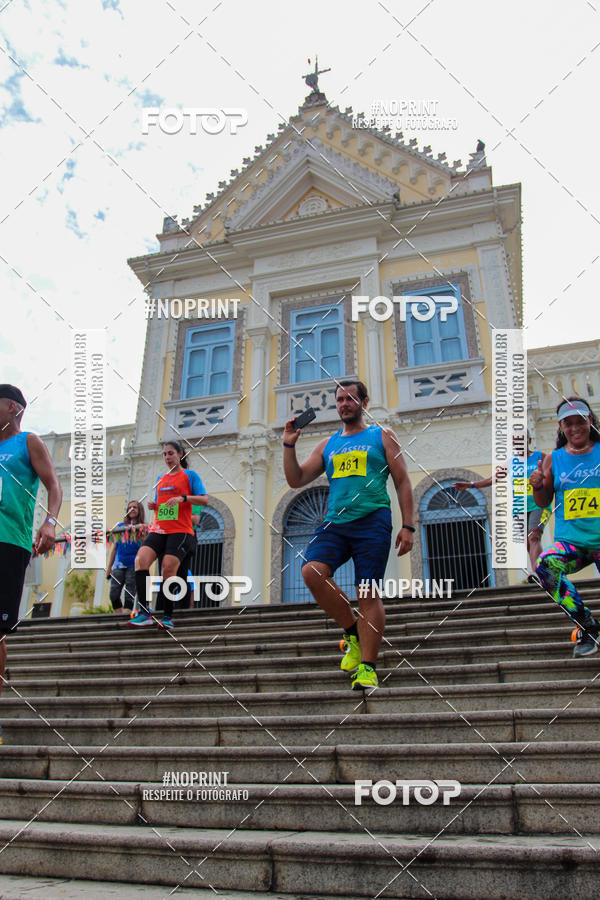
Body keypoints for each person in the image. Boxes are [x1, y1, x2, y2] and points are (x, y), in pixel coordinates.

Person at [283, 380, 414, 690]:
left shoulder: (381, 436)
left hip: (373, 521)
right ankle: (353, 631)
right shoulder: (327, 444)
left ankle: (368, 667)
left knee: (367, 591)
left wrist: (408, 526)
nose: (344, 404)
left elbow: (403, 481)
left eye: (351, 398)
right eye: (340, 399)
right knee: (312, 571)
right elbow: (296, 479)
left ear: (364, 402)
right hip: (335, 523)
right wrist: (289, 444)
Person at [0, 384, 62, 742]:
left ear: (12, 407)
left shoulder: (28, 442)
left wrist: (50, 522)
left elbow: (53, 484)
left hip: (9, 542)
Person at [529, 397, 600, 657]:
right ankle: (587, 625)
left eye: (579, 421)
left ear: (589, 420)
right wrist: (537, 484)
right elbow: (544, 500)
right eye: (568, 423)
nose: (574, 428)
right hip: (573, 543)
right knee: (546, 566)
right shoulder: (553, 459)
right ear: (561, 427)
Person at [130, 441, 207, 629]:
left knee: (168, 568)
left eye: (171, 453)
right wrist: (155, 507)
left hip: (180, 531)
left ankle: (166, 616)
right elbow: (164, 508)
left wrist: (183, 498)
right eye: (164, 454)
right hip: (159, 529)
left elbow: (204, 499)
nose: (167, 457)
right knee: (140, 561)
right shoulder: (161, 478)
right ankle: (144, 612)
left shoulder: (190, 475)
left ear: (180, 454)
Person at [454, 431, 552, 575]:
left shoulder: (540, 457)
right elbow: (491, 479)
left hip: (539, 504)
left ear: (529, 440)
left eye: (522, 439)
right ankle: (539, 573)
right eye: (515, 440)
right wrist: (471, 485)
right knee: (528, 542)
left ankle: (541, 573)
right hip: (520, 508)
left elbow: (553, 474)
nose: (519, 443)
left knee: (534, 536)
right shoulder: (511, 462)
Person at [106, 500, 145, 613]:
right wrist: (109, 567)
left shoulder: (142, 527)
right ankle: (118, 616)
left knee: (129, 593)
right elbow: (115, 548)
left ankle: (126, 615)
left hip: (134, 565)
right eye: (130, 507)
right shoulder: (120, 527)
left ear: (139, 510)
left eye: (135, 507)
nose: (131, 509)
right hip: (119, 564)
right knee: (113, 593)